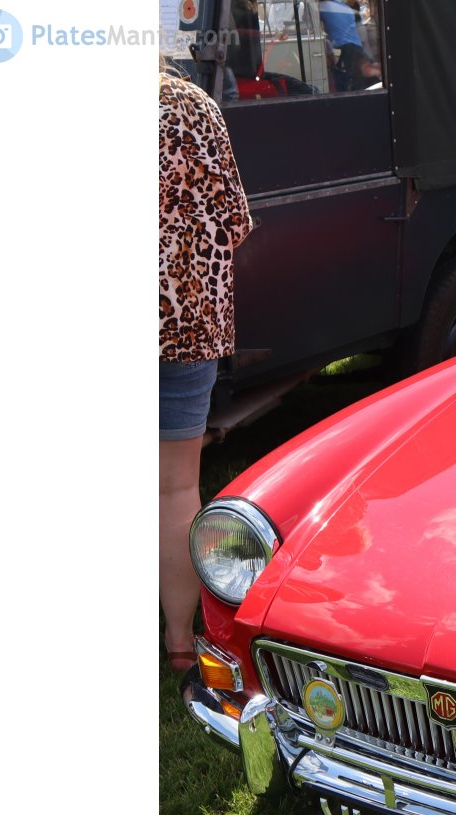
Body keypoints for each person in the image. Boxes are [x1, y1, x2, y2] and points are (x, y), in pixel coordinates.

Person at [159, 70, 253, 675]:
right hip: (186, 324)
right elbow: (235, 220)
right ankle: (178, 642)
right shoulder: (192, 106)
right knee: (174, 489)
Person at [318, 0, 378, 91]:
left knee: (344, 82)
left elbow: (309, 21)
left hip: (344, 49)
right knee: (357, 80)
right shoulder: (346, 7)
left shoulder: (323, 6)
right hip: (356, 47)